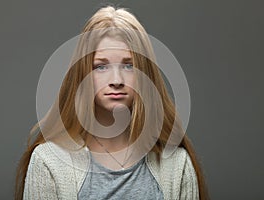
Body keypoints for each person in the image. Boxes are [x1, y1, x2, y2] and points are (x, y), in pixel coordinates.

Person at [15, 6, 208, 200]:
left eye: (128, 65)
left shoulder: (177, 165)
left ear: (145, 75)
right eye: (101, 66)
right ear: (84, 74)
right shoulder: (48, 162)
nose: (116, 80)